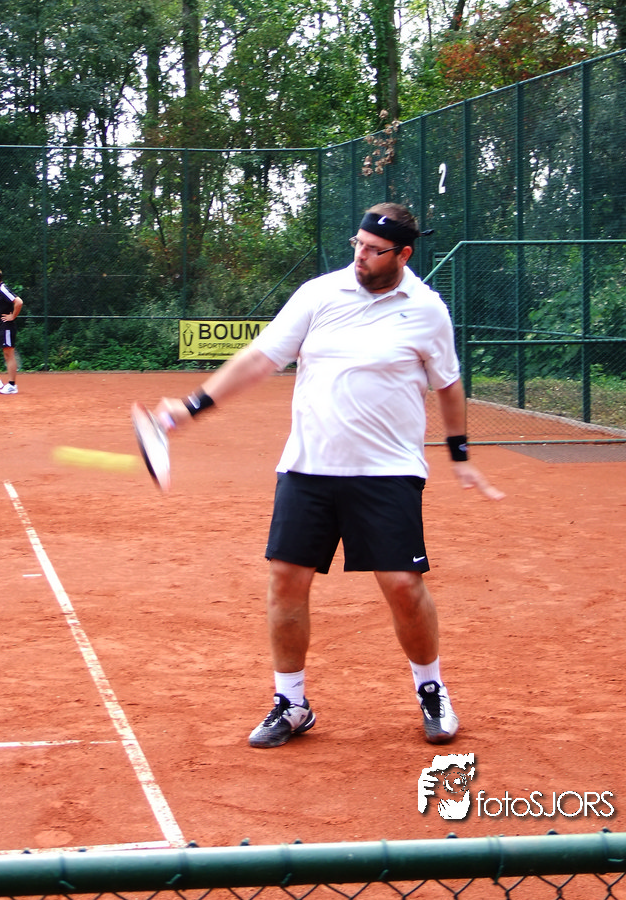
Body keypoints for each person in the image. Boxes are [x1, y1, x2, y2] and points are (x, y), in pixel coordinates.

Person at [154, 203, 503, 750]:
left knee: (402, 586)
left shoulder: (427, 310)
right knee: (286, 580)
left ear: (403, 255)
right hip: (307, 467)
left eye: (374, 250)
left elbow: (449, 384)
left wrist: (459, 454)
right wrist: (193, 405)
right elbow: (260, 359)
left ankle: (431, 689)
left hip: (387, 472)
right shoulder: (319, 294)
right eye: (357, 244)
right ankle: (291, 703)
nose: (360, 256)